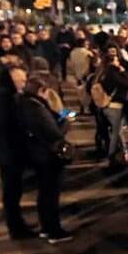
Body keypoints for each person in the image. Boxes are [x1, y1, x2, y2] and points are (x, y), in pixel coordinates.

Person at [16, 76, 73, 243]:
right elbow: (54, 133)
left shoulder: (26, 103)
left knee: (44, 193)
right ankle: (53, 230)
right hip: (47, 156)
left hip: (37, 154)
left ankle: (46, 228)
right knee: (50, 194)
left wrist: (63, 115)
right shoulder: (35, 107)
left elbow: (52, 118)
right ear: (41, 91)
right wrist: (67, 123)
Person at [0, 64, 33, 238]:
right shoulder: (6, 101)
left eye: (24, 80)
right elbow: (11, 128)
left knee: (13, 191)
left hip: (6, 153)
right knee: (12, 192)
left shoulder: (4, 98)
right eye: (19, 80)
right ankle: (16, 228)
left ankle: (16, 225)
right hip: (9, 154)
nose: (23, 83)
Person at [97, 43, 128, 167]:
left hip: (107, 105)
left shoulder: (103, 72)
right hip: (115, 106)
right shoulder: (113, 73)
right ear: (114, 61)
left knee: (117, 132)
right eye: (117, 60)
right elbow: (127, 84)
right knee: (117, 132)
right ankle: (113, 156)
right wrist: (123, 72)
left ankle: (122, 153)